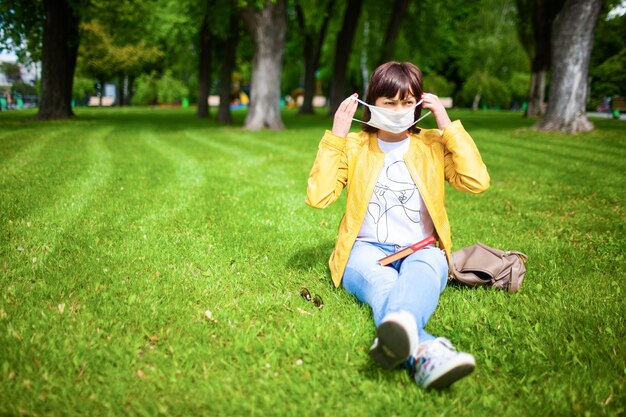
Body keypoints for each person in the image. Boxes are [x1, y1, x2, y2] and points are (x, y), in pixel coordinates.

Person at [306, 61, 490, 389]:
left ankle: (406, 338)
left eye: (407, 102)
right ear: (372, 104)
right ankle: (427, 351)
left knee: (421, 271)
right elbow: (319, 197)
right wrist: (336, 136)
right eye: (389, 103)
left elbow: (475, 181)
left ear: (420, 103)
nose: (399, 110)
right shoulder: (354, 146)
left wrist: (448, 126)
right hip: (363, 252)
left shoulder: (433, 144)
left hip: (422, 250)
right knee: (384, 287)